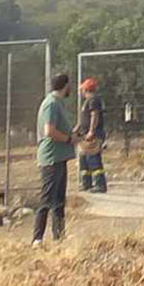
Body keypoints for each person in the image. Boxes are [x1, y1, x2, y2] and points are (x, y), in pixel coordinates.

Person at [34, 74, 76, 246]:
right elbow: (49, 131)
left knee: (58, 202)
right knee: (47, 200)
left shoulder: (60, 103)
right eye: (70, 85)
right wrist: (68, 139)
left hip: (60, 158)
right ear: (65, 85)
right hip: (51, 159)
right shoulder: (51, 104)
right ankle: (37, 239)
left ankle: (59, 239)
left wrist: (74, 135)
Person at [76, 78, 108, 194]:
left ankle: (100, 184)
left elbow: (94, 115)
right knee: (84, 159)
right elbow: (83, 118)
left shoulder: (93, 100)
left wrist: (91, 131)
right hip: (84, 136)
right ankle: (86, 183)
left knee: (93, 158)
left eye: (82, 89)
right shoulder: (87, 101)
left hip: (92, 136)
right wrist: (77, 129)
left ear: (86, 89)